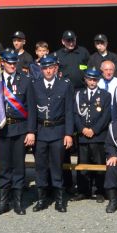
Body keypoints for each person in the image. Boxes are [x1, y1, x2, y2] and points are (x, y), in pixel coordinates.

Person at [25, 54, 74, 212]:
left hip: (58, 131)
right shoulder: (35, 84)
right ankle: (41, 199)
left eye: (51, 67)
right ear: (41, 69)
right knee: (40, 167)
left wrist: (68, 134)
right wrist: (31, 131)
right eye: (45, 68)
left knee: (56, 166)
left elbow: (69, 111)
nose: (48, 71)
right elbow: (32, 110)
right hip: (40, 132)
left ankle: (59, 200)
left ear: (56, 68)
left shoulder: (65, 85)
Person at [0, 50, 31, 215]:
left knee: (18, 167)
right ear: (2, 63)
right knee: (4, 167)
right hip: (2, 129)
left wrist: (31, 131)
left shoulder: (25, 80)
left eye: (14, 63)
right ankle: (4, 202)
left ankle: (18, 202)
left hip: (20, 129)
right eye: (9, 62)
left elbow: (30, 108)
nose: (11, 65)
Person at [71, 66, 112, 201]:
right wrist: (82, 129)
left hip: (98, 135)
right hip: (83, 135)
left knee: (99, 165)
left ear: (98, 80)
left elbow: (106, 116)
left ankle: (100, 191)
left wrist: (94, 130)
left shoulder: (105, 95)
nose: (92, 82)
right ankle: (83, 190)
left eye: (95, 79)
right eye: (90, 79)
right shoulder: (78, 95)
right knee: (83, 164)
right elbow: (75, 114)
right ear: (85, 80)